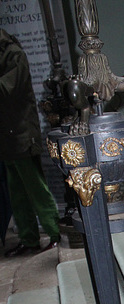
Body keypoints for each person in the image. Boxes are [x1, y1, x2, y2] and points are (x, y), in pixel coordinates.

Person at [0, 29, 60, 257]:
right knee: (17, 192)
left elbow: (8, 89)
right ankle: (29, 239)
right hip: (6, 136)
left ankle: (55, 233)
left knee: (36, 188)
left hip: (21, 132)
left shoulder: (13, 54)